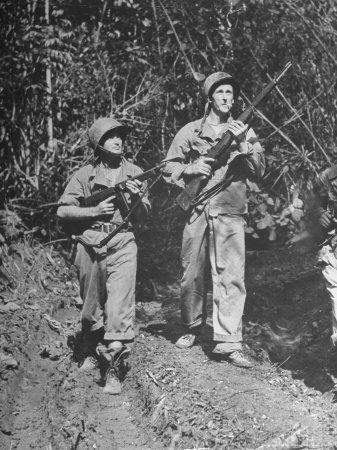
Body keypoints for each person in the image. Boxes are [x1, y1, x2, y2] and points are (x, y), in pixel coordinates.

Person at [163, 72, 265, 368]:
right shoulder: (191, 132)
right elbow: (167, 167)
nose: (224, 98)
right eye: (219, 92)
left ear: (235, 99)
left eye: (229, 93)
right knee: (191, 273)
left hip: (230, 210)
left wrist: (244, 142)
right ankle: (192, 326)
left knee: (231, 275)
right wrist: (191, 168)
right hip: (197, 208)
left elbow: (260, 170)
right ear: (210, 98)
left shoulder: (245, 130)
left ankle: (229, 341)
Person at [57, 117, 150, 394]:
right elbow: (63, 211)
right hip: (91, 243)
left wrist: (135, 198)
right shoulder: (84, 175)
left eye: (121, 136)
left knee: (120, 307)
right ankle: (89, 346)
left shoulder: (135, 172)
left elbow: (145, 217)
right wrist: (93, 213)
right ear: (98, 144)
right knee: (91, 305)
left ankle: (113, 368)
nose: (118, 141)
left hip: (123, 242)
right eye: (111, 137)